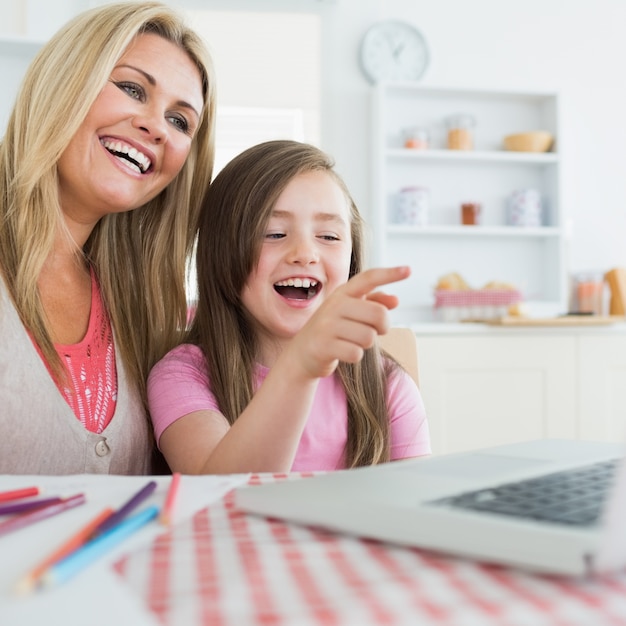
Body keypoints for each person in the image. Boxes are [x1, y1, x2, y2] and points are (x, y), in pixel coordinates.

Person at [0, 1, 217, 474]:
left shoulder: (148, 313)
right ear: (64, 82)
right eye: (132, 87)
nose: (157, 127)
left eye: (181, 121)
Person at [148, 140, 430, 474]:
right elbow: (220, 494)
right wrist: (299, 368)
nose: (305, 253)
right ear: (220, 253)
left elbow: (413, 507)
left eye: (328, 237)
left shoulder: (386, 384)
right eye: (274, 233)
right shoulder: (183, 375)